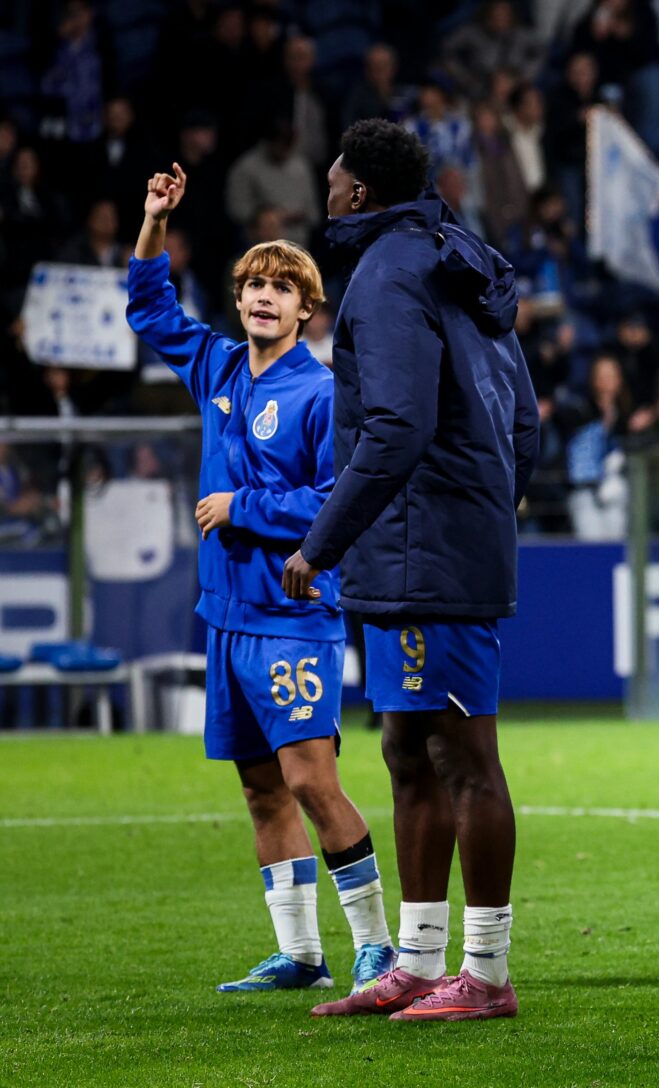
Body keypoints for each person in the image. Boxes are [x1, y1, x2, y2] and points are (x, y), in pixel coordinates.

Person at [284, 119, 540, 1023]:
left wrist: (321, 541)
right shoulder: (457, 260)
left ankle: (488, 973)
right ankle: (420, 963)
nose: (327, 182)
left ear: (357, 190)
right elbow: (525, 421)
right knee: (406, 751)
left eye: (335, 173)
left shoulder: (389, 275)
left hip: (421, 541)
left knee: (462, 757)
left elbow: (395, 425)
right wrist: (491, 503)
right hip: (426, 539)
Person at [124, 164, 394, 995]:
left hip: (292, 614)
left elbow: (334, 499)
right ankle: (301, 955)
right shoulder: (217, 369)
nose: (263, 298)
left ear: (307, 309)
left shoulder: (320, 392)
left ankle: (379, 945)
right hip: (227, 615)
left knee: (313, 780)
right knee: (258, 787)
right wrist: (154, 220)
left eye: (281, 288)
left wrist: (242, 504)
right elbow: (148, 308)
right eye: (252, 286)